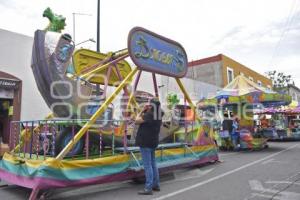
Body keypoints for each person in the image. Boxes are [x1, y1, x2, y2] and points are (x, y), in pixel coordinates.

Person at [135, 98, 163, 195]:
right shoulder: (159, 115)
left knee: (148, 165)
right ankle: (156, 185)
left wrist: (142, 111)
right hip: (153, 142)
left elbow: (136, 120)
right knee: (153, 164)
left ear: (152, 106)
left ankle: (148, 188)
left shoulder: (149, 115)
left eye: (150, 105)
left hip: (145, 142)